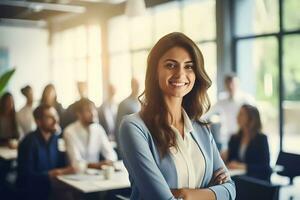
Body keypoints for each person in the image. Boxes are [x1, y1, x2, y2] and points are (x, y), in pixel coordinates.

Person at [119, 32, 235, 200]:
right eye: (171, 65)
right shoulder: (134, 127)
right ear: (155, 71)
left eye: (189, 66)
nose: (180, 74)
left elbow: (231, 189)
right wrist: (212, 193)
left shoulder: (201, 129)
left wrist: (185, 194)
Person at [17, 104, 74, 200]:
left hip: (51, 187)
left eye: (55, 115)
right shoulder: (29, 142)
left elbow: (59, 165)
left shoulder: (54, 138)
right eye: (50, 117)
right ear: (38, 122)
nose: (56, 120)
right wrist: (51, 174)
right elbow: (26, 177)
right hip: (32, 192)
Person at [203, 74, 255, 152]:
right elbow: (207, 114)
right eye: (228, 84)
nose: (231, 86)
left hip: (242, 136)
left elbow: (255, 117)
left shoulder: (246, 100)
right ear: (226, 85)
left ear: (238, 84)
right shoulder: (222, 100)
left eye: (233, 84)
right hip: (226, 138)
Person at [63, 98, 117, 170]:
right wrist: (98, 165)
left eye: (94, 109)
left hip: (97, 174)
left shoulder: (98, 128)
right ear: (78, 114)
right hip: (77, 175)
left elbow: (111, 153)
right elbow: (76, 163)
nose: (93, 113)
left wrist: (109, 161)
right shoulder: (69, 131)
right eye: (88, 110)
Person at [225, 104, 272, 181]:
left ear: (251, 118)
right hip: (237, 178)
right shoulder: (234, 138)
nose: (237, 117)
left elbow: (266, 168)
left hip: (256, 180)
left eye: (241, 114)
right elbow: (231, 160)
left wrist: (243, 166)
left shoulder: (261, 139)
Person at [115, 78, 141, 150]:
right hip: (128, 141)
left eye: (139, 85)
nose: (138, 87)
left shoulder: (141, 103)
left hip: (139, 140)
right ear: (132, 86)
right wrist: (120, 147)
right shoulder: (124, 104)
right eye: (136, 85)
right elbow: (118, 126)